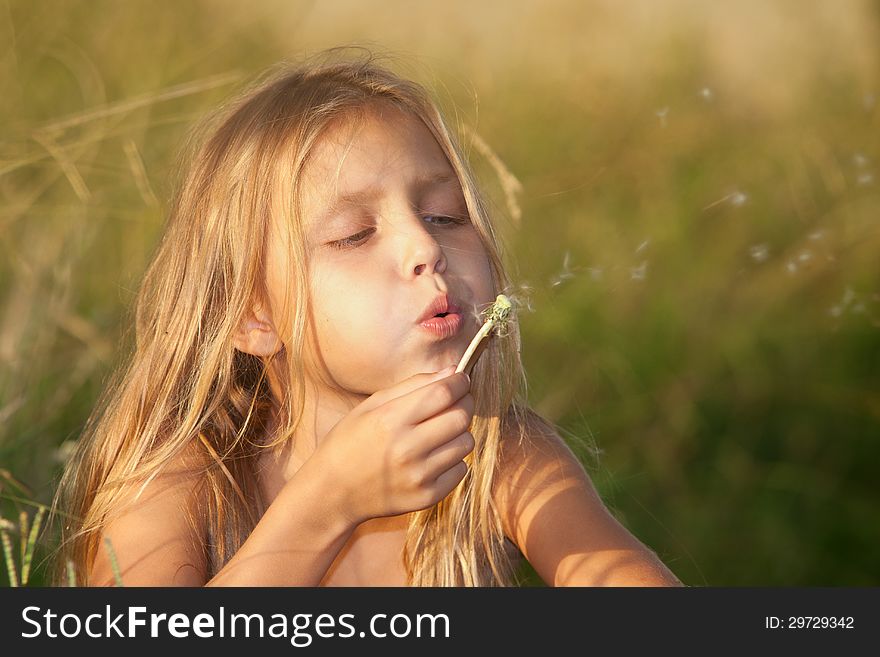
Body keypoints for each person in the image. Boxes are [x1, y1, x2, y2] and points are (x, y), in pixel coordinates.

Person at [51, 49, 683, 587]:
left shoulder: (500, 455)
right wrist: (327, 504)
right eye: (355, 235)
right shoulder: (185, 483)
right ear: (253, 314)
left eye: (443, 216)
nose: (425, 248)